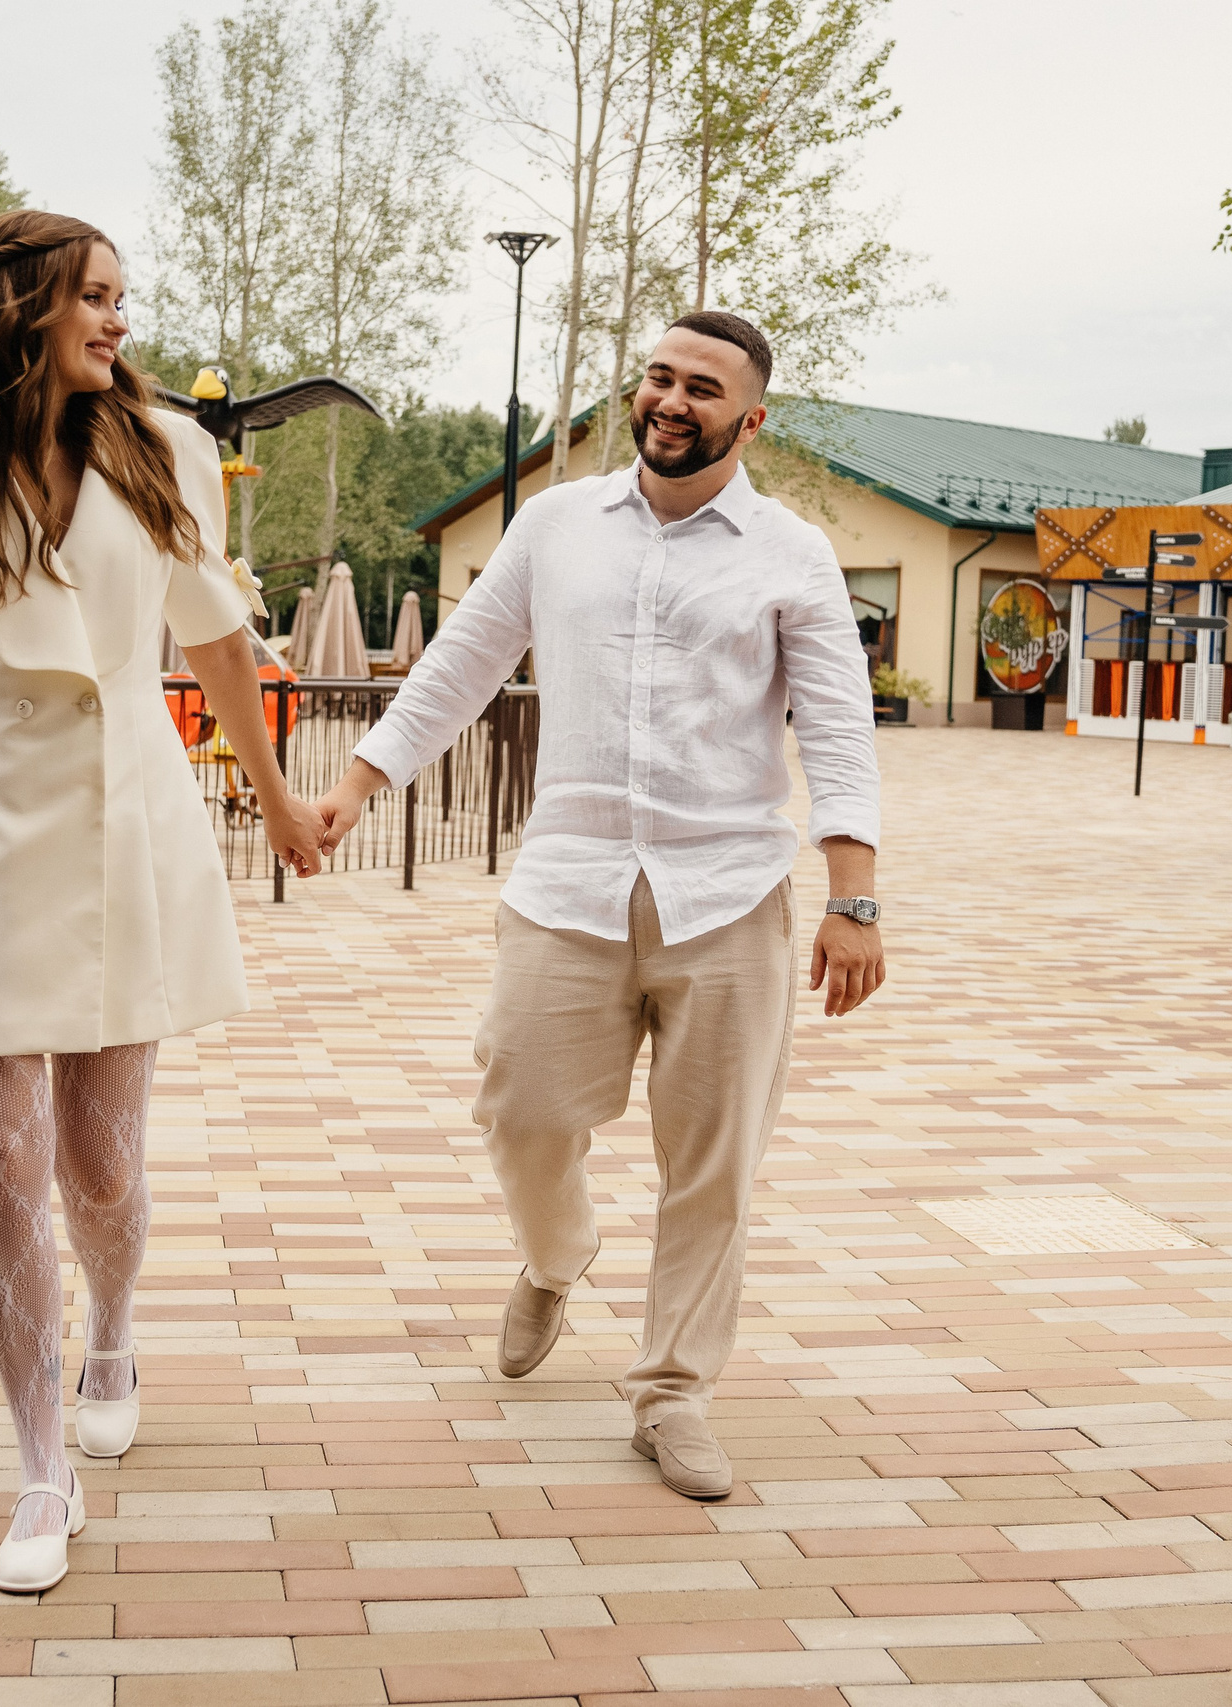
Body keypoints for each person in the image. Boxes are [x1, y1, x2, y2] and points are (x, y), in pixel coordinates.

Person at [0, 210, 326, 1594]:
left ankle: (117, 1327)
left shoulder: (170, 455)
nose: (118, 320)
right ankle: (42, 1463)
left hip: (126, 825)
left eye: (122, 297)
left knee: (102, 1163)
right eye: (95, 295)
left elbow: (215, 643)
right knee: (2, 1167)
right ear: (20, 304)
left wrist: (269, 797)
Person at [314, 310, 884, 1501]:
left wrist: (854, 899)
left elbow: (835, 726)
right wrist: (362, 781)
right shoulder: (556, 524)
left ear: (750, 417)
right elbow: (461, 662)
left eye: (704, 389)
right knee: (517, 1102)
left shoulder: (794, 552)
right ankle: (555, 1254)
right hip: (567, 881)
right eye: (660, 379)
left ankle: (672, 1391)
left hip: (727, 892)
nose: (673, 402)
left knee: (712, 1164)